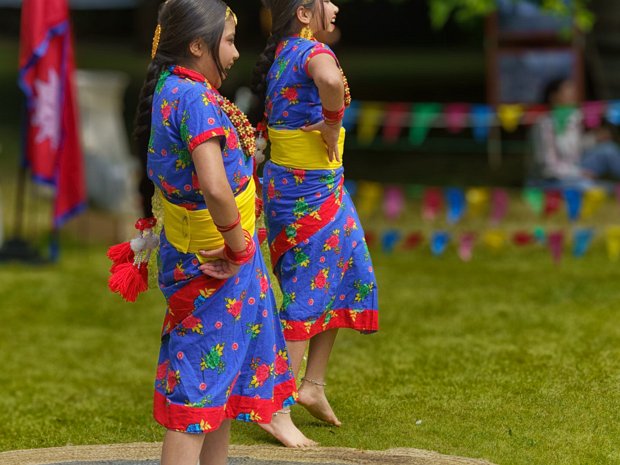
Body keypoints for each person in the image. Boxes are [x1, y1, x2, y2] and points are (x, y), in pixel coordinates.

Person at [131, 1, 316, 462]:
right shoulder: (193, 99)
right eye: (228, 41)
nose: (235, 54)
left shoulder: (175, 89)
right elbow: (214, 187)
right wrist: (238, 248)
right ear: (197, 45)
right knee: (198, 393)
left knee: (219, 383)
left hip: (200, 255)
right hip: (214, 262)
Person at [251, 0, 379, 428]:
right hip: (308, 191)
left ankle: (313, 387)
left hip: (312, 187)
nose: (337, 7)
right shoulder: (313, 53)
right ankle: (276, 404)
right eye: (326, 1)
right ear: (304, 13)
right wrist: (332, 120)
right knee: (309, 286)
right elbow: (328, 80)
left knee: (347, 270)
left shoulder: (284, 52)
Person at [528, 77, 620, 190]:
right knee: (585, 186)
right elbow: (548, 167)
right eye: (567, 90)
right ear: (554, 96)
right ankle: (608, 189)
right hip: (551, 178)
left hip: (575, 166)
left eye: (573, 90)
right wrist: (579, 173)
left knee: (608, 150)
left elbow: (575, 148)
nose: (573, 94)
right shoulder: (543, 124)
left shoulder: (573, 118)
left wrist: (594, 139)